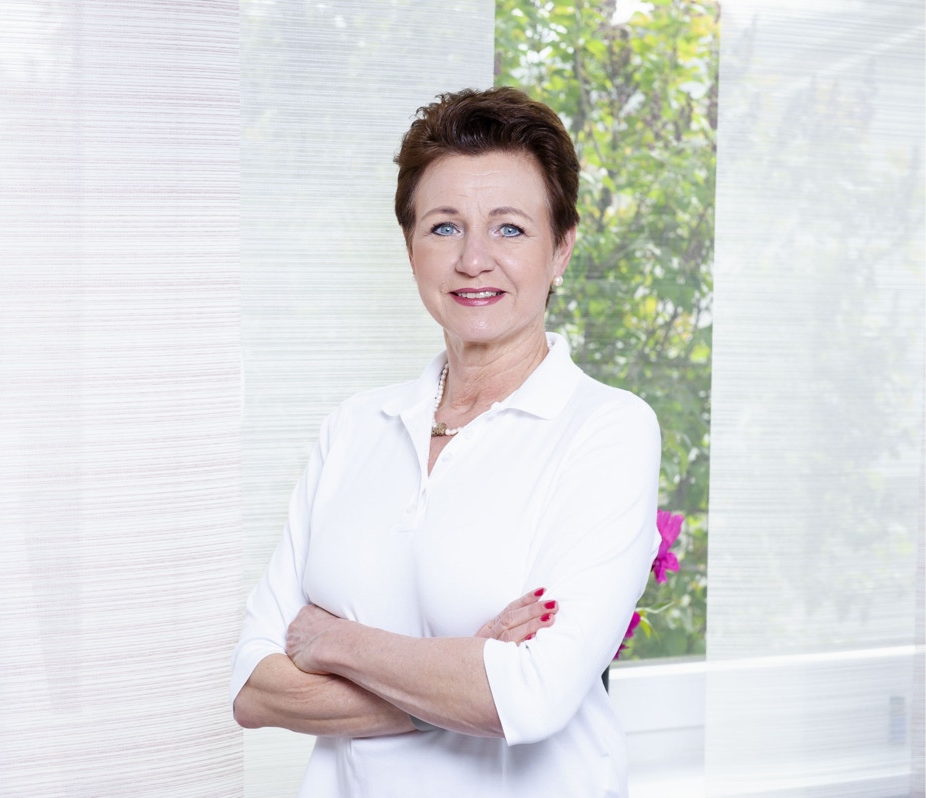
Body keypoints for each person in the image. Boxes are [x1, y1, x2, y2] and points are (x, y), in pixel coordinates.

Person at [231, 87, 660, 797]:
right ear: (411, 249)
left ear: (561, 249)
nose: (473, 259)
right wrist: (464, 672)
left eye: (510, 228)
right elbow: (255, 689)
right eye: (444, 227)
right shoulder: (354, 427)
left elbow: (532, 697)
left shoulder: (606, 428)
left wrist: (335, 643)